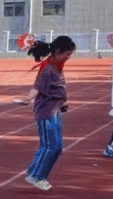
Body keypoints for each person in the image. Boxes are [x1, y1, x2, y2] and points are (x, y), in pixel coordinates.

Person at [23, 36, 75, 190]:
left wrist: (63, 101)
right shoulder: (48, 69)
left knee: (57, 147)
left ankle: (35, 172)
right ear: (58, 52)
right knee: (49, 146)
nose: (68, 57)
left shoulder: (57, 66)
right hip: (46, 112)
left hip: (55, 110)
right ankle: (36, 176)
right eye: (67, 54)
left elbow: (58, 87)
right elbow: (37, 87)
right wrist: (28, 97)